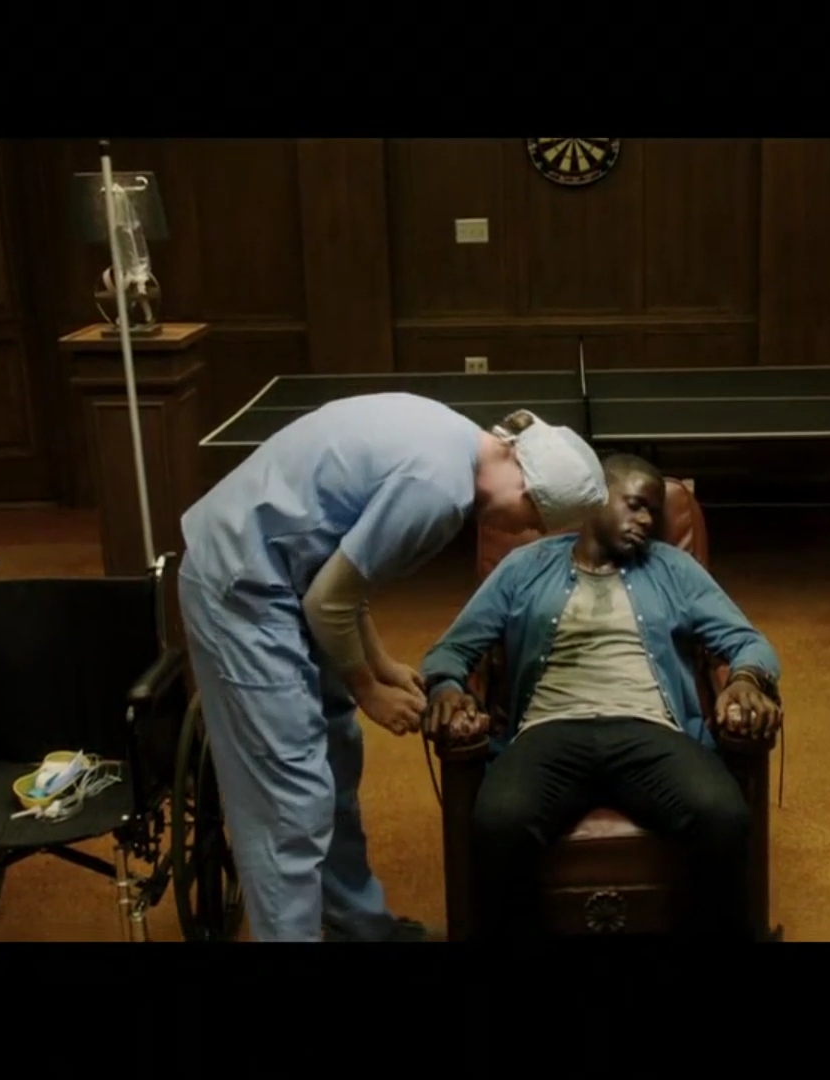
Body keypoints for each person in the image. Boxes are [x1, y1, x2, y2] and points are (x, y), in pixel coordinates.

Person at [176, 393, 607, 943]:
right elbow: (328, 602)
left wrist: (381, 664)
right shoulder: (439, 491)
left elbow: (342, 574)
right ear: (528, 489)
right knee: (290, 797)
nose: (525, 533)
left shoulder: (452, 434)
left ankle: (357, 926)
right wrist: (369, 691)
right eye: (535, 522)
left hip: (289, 573)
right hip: (242, 585)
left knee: (335, 754)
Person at [418, 453, 783, 941]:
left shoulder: (674, 568)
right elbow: (453, 649)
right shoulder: (525, 567)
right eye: (635, 505)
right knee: (499, 822)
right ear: (596, 499)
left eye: (653, 511)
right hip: (549, 729)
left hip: (648, 727)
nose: (646, 521)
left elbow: (748, 641)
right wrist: (446, 687)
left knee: (723, 815)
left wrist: (746, 680)